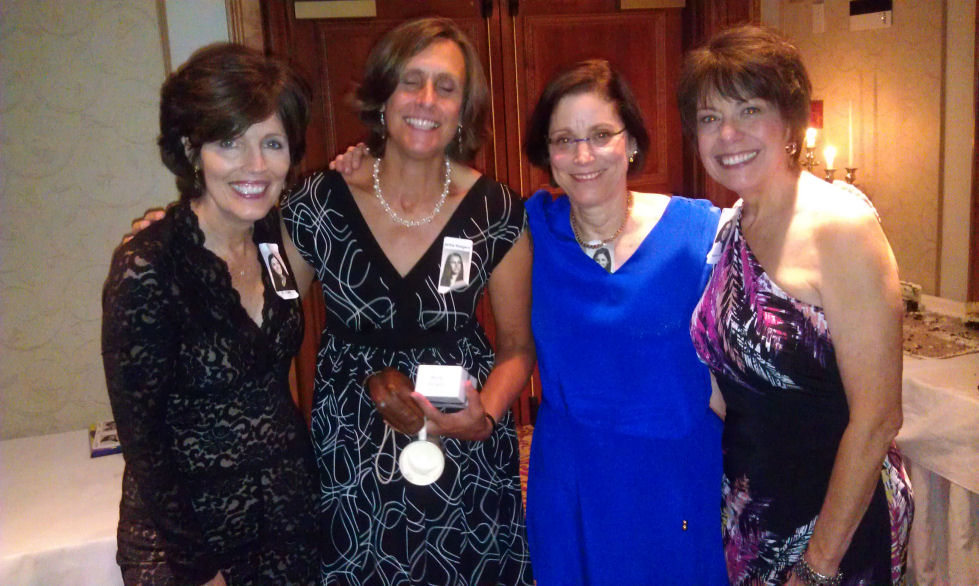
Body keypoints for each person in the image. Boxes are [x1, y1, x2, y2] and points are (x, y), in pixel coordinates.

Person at [281, 17, 535, 585]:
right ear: (382, 95)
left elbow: (518, 345)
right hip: (350, 451)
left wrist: (484, 417)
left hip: (462, 445)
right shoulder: (317, 204)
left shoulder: (496, 211)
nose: (426, 100)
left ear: (464, 107)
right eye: (410, 81)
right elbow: (266, 323)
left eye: (446, 87)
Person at [682, 25, 912, 585]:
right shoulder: (733, 226)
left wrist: (816, 567)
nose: (728, 134)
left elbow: (878, 419)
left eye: (749, 109)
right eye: (710, 118)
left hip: (835, 520)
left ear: (789, 122)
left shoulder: (841, 227)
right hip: (754, 507)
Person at [101, 44, 320, 585]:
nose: (256, 165)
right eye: (229, 142)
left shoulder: (272, 239)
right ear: (191, 150)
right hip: (188, 542)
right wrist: (199, 570)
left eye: (272, 143)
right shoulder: (148, 265)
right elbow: (144, 441)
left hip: (287, 524)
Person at [522, 59, 728, 584]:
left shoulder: (699, 233)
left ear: (631, 140)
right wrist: (370, 168)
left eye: (600, 135)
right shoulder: (531, 229)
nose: (582, 156)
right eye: (564, 140)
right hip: (570, 479)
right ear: (547, 153)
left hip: (674, 479)